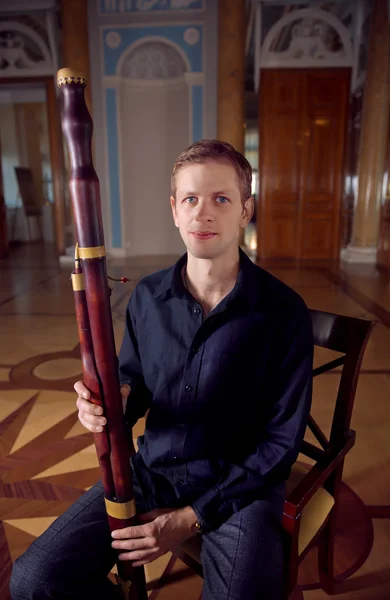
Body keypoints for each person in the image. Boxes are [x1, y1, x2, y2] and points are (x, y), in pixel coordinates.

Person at [10, 140, 313, 600]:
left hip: (241, 489)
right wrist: (114, 401)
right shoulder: (148, 298)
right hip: (156, 469)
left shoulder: (284, 312)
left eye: (221, 199)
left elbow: (280, 445)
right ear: (175, 210)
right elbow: (136, 381)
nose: (203, 213)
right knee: (34, 581)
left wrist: (190, 518)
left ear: (246, 210)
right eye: (190, 199)